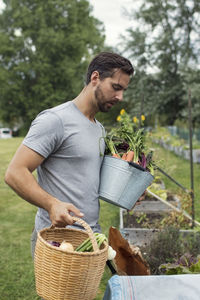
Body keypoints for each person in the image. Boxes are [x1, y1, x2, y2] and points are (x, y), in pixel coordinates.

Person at [4, 52, 134, 257]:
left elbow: (89, 180)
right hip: (57, 242)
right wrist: (51, 204)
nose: (120, 97)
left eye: (123, 90)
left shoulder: (99, 129)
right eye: (116, 87)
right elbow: (15, 172)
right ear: (95, 78)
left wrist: (131, 190)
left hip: (90, 237)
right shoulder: (56, 120)